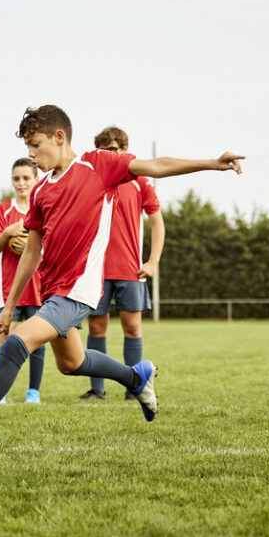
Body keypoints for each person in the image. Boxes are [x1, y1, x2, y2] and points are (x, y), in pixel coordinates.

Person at [0, 104, 243, 455]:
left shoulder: (97, 165)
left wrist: (212, 163)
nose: (32, 156)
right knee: (72, 364)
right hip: (53, 294)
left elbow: (156, 166)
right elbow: (32, 253)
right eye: (28, 149)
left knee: (18, 343)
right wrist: (9, 307)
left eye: (36, 145)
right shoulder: (39, 192)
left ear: (59, 137)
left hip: (78, 292)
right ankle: (136, 376)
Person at [80, 126, 164, 401]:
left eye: (116, 149)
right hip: (97, 270)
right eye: (106, 150)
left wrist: (152, 262)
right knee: (96, 328)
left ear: (125, 151)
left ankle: (134, 387)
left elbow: (157, 222)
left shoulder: (140, 181)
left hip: (131, 269)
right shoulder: (93, 179)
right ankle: (97, 389)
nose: (112, 155)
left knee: (133, 328)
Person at [0, 157, 47, 404]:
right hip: (8, 287)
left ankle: (33, 392)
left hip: (38, 286)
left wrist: (32, 248)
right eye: (16, 178)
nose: (21, 183)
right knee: (3, 335)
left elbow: (52, 246)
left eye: (26, 178)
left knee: (38, 338)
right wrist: (8, 232)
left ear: (36, 180)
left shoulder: (44, 209)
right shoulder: (3, 210)